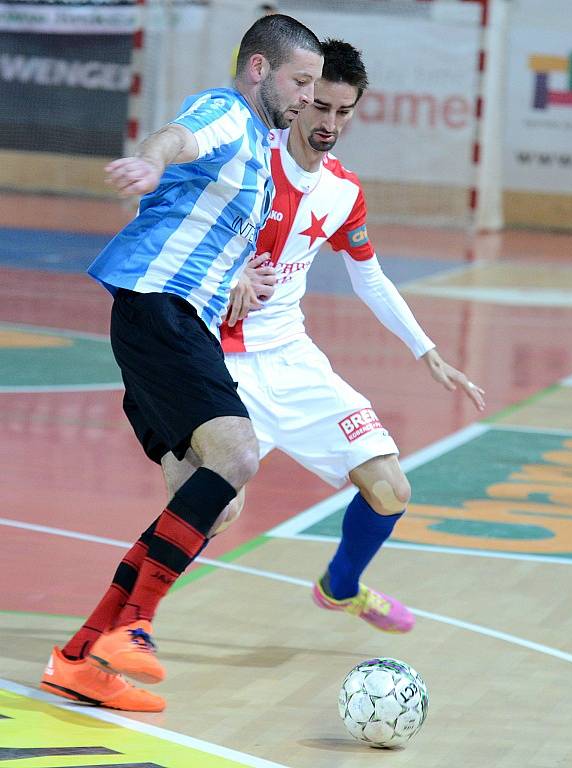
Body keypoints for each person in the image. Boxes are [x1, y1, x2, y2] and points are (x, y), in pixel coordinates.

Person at [39, 14, 323, 713]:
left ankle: (80, 656)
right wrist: (154, 159)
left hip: (172, 314)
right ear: (260, 68)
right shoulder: (227, 110)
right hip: (157, 305)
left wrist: (237, 279)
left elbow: (205, 225)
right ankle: (134, 627)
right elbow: (181, 136)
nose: (307, 98)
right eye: (300, 81)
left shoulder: (259, 154)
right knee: (238, 452)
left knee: (214, 503)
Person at [163, 38, 486, 634]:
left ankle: (340, 588)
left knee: (390, 489)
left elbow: (370, 277)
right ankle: (128, 620)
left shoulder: (342, 191)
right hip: (220, 361)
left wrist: (428, 352)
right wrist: (226, 272)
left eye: (344, 112)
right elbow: (170, 225)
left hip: (292, 359)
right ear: (299, 99)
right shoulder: (246, 162)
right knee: (216, 511)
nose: (330, 124)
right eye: (321, 108)